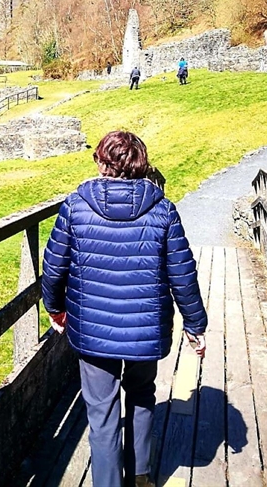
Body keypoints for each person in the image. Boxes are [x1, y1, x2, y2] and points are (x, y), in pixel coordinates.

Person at [42, 131, 207, 487]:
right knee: (142, 395)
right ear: (140, 165)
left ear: (102, 162)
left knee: (101, 412)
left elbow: (54, 267)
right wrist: (195, 324)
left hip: (92, 328)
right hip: (144, 330)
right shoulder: (163, 209)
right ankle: (141, 475)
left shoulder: (75, 206)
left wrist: (54, 309)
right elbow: (182, 272)